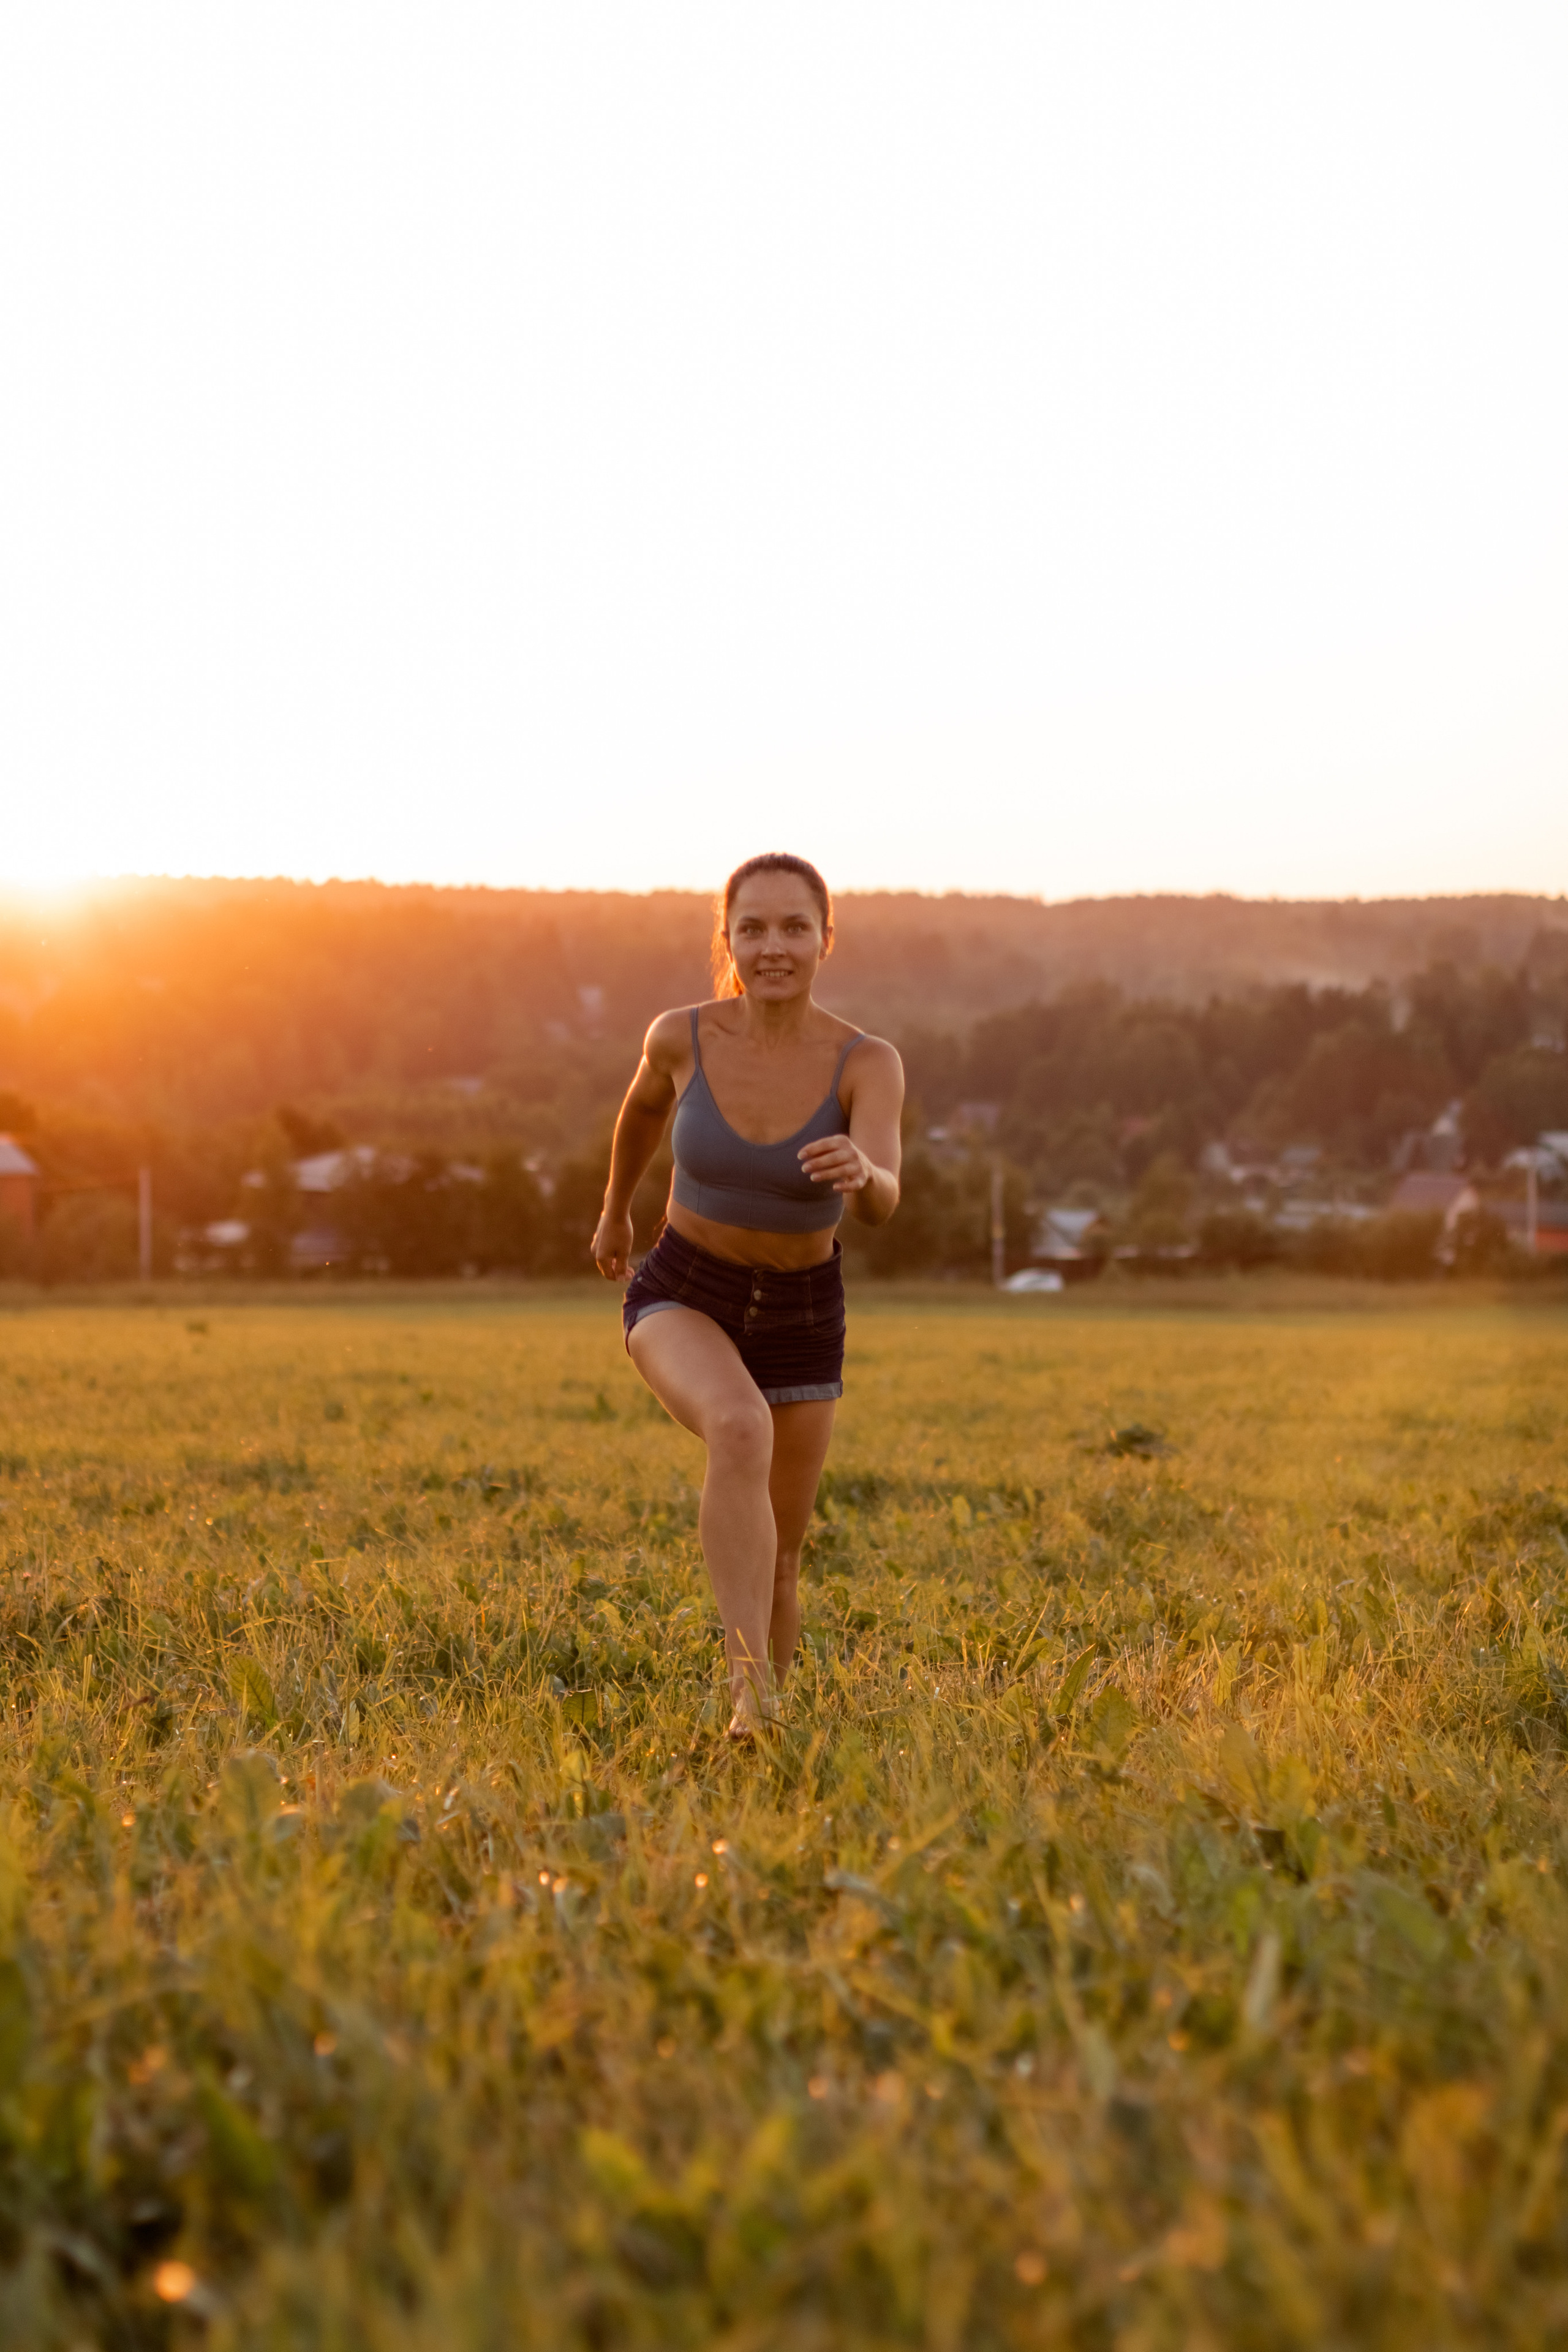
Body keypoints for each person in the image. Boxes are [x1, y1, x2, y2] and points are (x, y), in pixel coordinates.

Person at [591, 853, 904, 1737]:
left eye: (795, 927)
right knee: (738, 1426)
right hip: (686, 1289)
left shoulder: (865, 1062)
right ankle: (746, 1694)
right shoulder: (680, 1036)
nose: (774, 946)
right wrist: (615, 1211)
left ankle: (763, 1738)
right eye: (754, 927)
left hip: (804, 1310)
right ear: (726, 937)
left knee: (782, 1564)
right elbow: (642, 1108)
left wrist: (864, 1170)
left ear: (825, 939)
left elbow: (885, 1200)